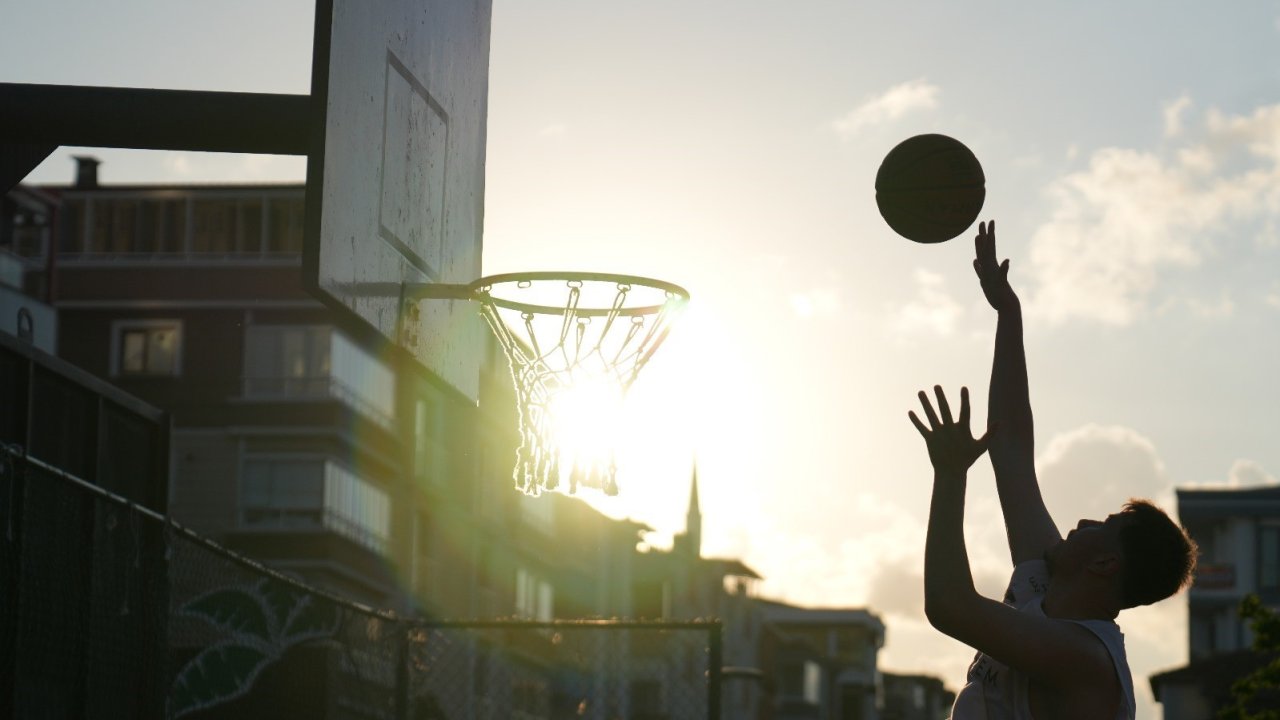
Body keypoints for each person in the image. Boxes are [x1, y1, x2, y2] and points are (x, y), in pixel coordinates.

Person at [908, 220, 1197, 720]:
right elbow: (1012, 449)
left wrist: (951, 476)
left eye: (1104, 526)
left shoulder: (1085, 658)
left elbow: (950, 605)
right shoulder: (1042, 585)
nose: (1085, 522)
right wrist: (1008, 313)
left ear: (1105, 564)